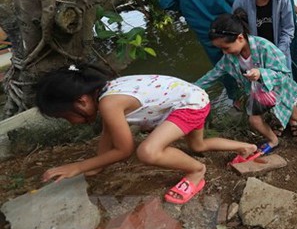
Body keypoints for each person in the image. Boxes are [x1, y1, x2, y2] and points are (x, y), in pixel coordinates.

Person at [35, 65, 256, 204]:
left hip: (189, 105)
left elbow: (124, 150)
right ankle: (244, 147)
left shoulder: (108, 103)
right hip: (193, 97)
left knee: (148, 152)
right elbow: (107, 136)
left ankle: (196, 172)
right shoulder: (106, 91)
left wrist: (77, 166)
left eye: (67, 117)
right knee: (198, 146)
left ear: (81, 102)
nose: (71, 123)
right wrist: (95, 166)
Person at [195, 10, 297, 151]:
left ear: (240, 38)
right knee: (254, 120)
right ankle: (273, 140)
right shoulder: (229, 58)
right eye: (221, 49)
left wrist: (261, 73)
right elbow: (214, 74)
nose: (224, 53)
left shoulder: (265, 47)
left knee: (295, 115)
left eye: (226, 48)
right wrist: (192, 88)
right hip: (257, 93)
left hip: (278, 88)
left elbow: (283, 73)